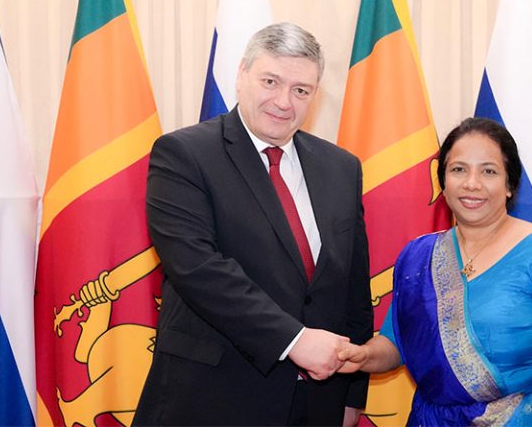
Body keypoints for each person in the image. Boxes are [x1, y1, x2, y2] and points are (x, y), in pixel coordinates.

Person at [133, 22, 373, 426]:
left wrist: (351, 393)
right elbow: (199, 270)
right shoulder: (184, 154)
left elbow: (352, 286)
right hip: (212, 398)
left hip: (316, 401)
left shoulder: (341, 168)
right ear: (242, 74)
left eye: (301, 90)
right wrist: (295, 341)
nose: (284, 101)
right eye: (270, 81)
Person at [338, 117, 532, 426]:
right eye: (459, 169)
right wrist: (362, 356)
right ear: (443, 181)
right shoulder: (417, 256)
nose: (472, 183)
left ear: (510, 185)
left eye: (489, 171)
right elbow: (396, 344)